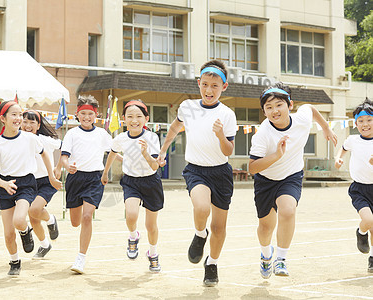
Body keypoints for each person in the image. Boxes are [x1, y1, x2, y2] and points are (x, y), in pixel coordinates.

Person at [158, 60, 237, 286]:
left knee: (219, 227)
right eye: (205, 84)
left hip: (220, 172)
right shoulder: (187, 107)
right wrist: (163, 151)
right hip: (196, 170)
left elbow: (228, 150)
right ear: (198, 83)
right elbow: (175, 127)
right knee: (201, 208)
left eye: (214, 85)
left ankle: (211, 263)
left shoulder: (227, 114)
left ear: (224, 87)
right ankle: (200, 234)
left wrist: (221, 135)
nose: (209, 90)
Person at [249, 82, 337, 279]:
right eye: (269, 107)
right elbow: (252, 168)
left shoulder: (302, 119)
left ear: (290, 105)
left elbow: (311, 109)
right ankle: (266, 255)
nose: (274, 111)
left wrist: (326, 128)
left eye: (279, 105)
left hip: (291, 176)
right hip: (265, 179)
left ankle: (281, 259)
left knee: (288, 210)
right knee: (265, 227)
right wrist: (276, 156)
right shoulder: (263, 133)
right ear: (264, 112)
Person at [0, 101, 62, 276]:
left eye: (19, 114)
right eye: (14, 114)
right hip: (5, 186)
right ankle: (15, 261)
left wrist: (52, 176)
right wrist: (4, 184)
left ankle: (25, 229)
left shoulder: (30, 138)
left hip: (25, 184)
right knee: (8, 234)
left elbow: (44, 153)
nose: (18, 118)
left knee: (19, 220)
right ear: (3, 119)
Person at [101, 99, 164, 273]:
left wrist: (144, 153)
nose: (134, 120)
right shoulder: (121, 138)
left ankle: (152, 253)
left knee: (151, 226)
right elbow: (113, 153)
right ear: (124, 119)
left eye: (138, 116)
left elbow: (154, 166)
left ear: (146, 119)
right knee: (131, 215)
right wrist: (105, 173)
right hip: (131, 182)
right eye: (130, 116)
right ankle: (133, 236)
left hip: (151, 182)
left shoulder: (151, 137)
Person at [60, 95, 120, 274]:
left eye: (90, 114)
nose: (87, 117)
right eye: (83, 113)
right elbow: (64, 156)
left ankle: (81, 258)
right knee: (75, 222)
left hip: (95, 178)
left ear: (96, 115)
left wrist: (131, 160)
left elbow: (114, 153)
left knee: (87, 217)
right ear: (77, 114)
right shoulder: (72, 133)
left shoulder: (102, 134)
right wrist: (66, 165)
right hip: (75, 178)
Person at [334, 98, 373, 273]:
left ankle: (372, 258)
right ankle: (361, 232)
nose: (365, 124)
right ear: (356, 123)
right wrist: (338, 158)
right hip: (360, 189)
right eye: (361, 121)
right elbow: (343, 147)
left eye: (369, 120)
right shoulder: (353, 140)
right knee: (369, 220)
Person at [21, 110, 62, 259]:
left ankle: (51, 219)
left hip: (47, 180)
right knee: (33, 217)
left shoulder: (45, 140)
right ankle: (45, 245)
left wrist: (58, 167)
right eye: (25, 121)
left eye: (32, 122)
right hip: (29, 182)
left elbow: (65, 148)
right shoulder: (18, 141)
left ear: (38, 125)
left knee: (34, 209)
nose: (28, 125)